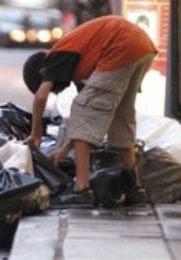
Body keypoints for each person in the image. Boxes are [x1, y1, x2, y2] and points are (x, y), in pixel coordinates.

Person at [23, 15, 157, 206]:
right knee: (120, 117)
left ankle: (81, 189)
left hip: (121, 45)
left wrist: (35, 133)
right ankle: (136, 188)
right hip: (142, 46)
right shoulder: (79, 65)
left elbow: (40, 98)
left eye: (51, 86)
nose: (56, 90)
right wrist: (63, 150)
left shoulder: (56, 56)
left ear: (42, 73)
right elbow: (87, 122)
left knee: (81, 109)